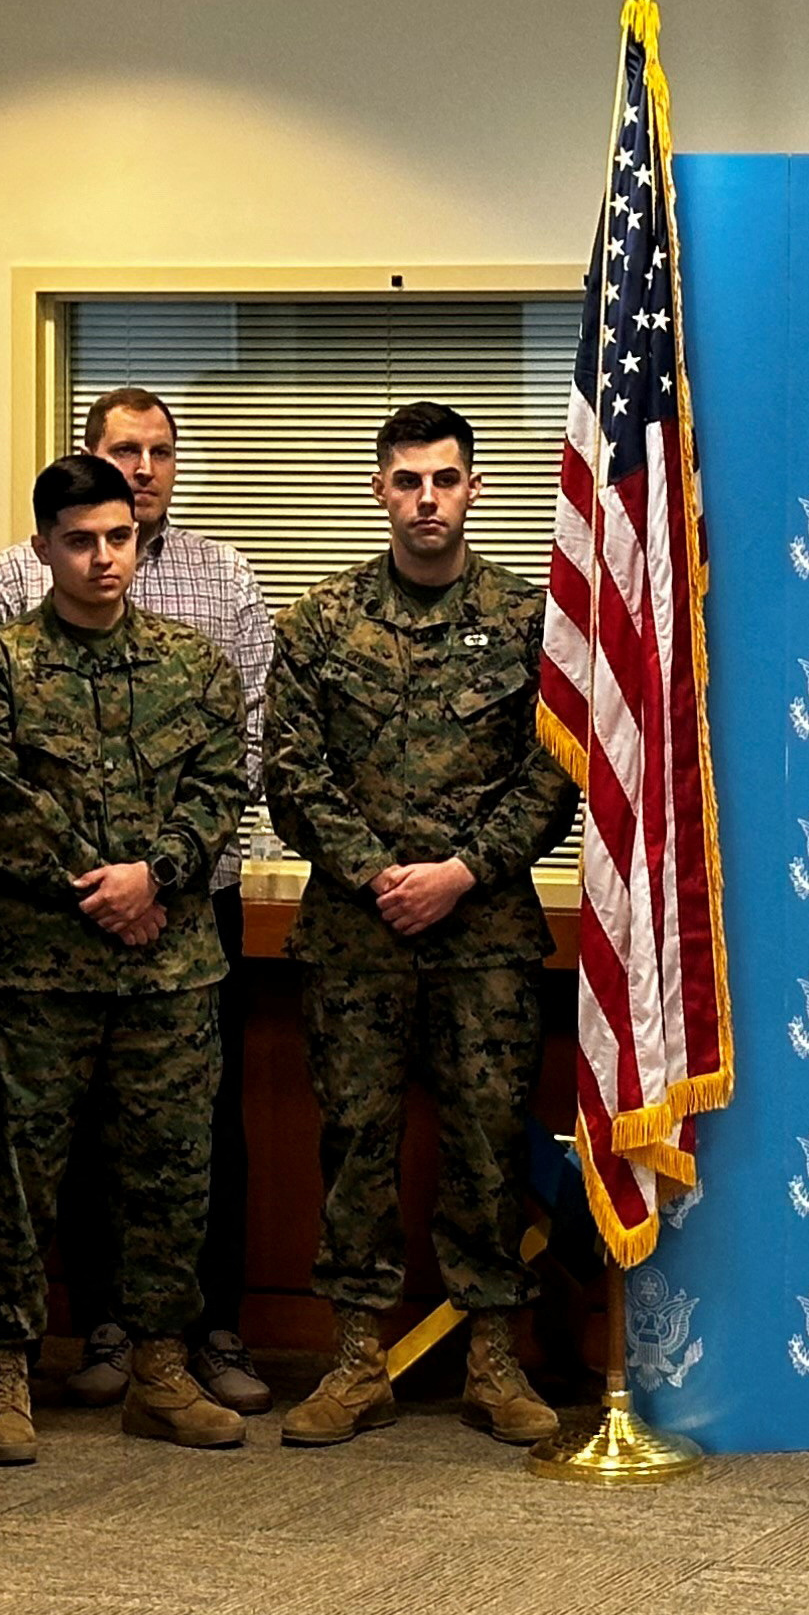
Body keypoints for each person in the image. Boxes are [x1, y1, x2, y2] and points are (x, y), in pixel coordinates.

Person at [262, 403, 577, 1448]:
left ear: (474, 488)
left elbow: (551, 777)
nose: (426, 498)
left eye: (445, 478)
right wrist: (378, 875)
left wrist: (459, 873)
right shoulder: (317, 624)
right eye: (407, 480)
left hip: (483, 934)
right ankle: (356, 1359)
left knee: (488, 1145)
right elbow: (291, 776)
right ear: (378, 490)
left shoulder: (531, 623)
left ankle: (494, 1359)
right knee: (356, 1142)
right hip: (357, 936)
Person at [0, 388, 274, 1411]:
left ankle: (160, 1365)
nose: (105, 557)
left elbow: (219, 784)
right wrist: (101, 891)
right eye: (81, 541)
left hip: (168, 969)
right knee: (16, 1177)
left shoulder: (191, 666)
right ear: (44, 549)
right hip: (39, 969)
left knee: (171, 1175)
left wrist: (158, 880)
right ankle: (4, 1372)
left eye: (118, 539)